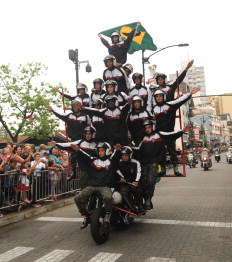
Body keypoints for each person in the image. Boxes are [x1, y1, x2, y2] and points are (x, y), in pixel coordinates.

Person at [133, 120, 191, 209]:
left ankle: (148, 200)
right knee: (143, 183)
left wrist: (182, 131)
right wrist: (129, 148)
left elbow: (172, 135)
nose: (147, 129)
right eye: (146, 128)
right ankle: (146, 200)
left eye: (149, 127)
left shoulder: (160, 135)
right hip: (144, 164)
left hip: (155, 163)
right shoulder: (143, 139)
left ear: (152, 127)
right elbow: (138, 149)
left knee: (150, 182)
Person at [71, 142, 121, 229]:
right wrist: (78, 150)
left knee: (108, 198)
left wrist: (117, 150)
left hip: (105, 187)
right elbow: (85, 156)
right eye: (99, 150)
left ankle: (107, 215)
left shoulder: (110, 161)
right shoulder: (93, 160)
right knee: (77, 198)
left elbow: (116, 157)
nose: (100, 152)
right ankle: (86, 215)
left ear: (107, 151)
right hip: (92, 186)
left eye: (102, 150)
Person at [151, 87, 200, 176]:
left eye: (160, 96)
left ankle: (176, 169)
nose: (158, 98)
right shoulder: (153, 109)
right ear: (155, 98)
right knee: (161, 153)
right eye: (157, 96)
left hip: (170, 134)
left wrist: (190, 94)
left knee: (172, 152)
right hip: (160, 135)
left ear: (164, 97)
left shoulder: (170, 105)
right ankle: (163, 169)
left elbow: (180, 100)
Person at [46, 98, 91, 179]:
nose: (75, 107)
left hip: (83, 139)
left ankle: (88, 172)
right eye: (73, 106)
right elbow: (59, 114)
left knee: (84, 155)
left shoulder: (86, 116)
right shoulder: (69, 115)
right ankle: (73, 173)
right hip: (73, 139)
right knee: (73, 156)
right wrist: (52, 109)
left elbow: (89, 127)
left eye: (76, 105)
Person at [116, 146, 143, 213]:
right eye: (123, 155)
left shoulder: (135, 162)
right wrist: (121, 178)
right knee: (123, 191)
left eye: (126, 155)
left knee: (138, 190)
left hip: (132, 183)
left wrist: (136, 181)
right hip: (123, 183)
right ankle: (132, 208)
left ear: (130, 155)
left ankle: (140, 206)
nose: (124, 157)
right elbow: (116, 170)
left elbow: (138, 172)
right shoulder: (119, 162)